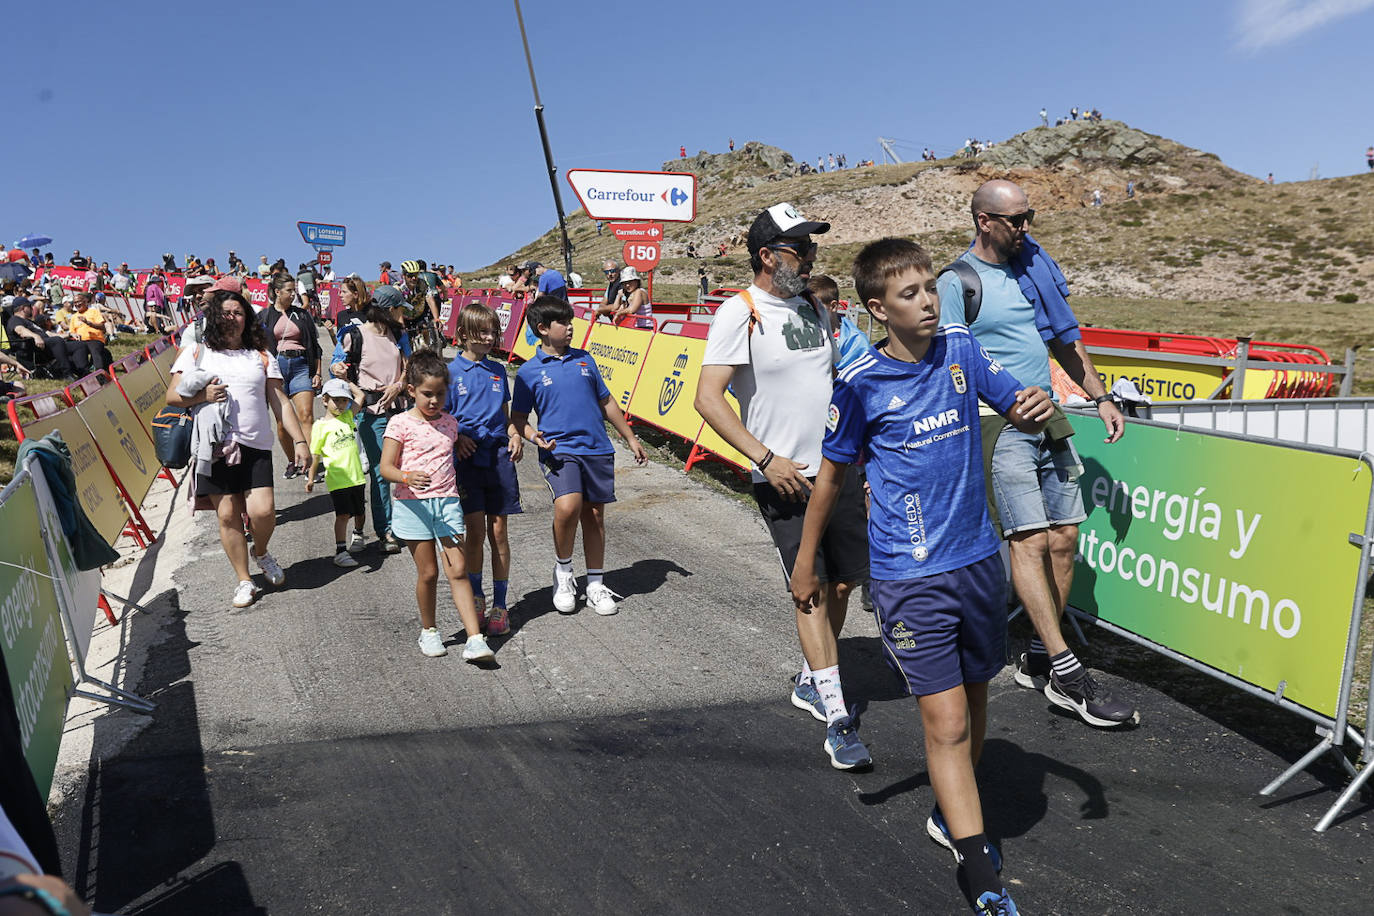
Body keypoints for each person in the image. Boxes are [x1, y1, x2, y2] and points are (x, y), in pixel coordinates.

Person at [792, 237, 1051, 916]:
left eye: (931, 287)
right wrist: (804, 561)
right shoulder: (860, 387)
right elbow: (830, 478)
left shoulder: (962, 352)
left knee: (975, 700)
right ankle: (980, 874)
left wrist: (1032, 406)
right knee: (944, 720)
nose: (929, 302)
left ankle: (947, 812)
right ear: (878, 309)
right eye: (910, 294)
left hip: (976, 564)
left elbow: (1013, 396)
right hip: (910, 577)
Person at [938, 178, 1136, 728]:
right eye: (1016, 220)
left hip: (1049, 417)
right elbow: (954, 363)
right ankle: (1070, 676)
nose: (1027, 228)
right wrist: (1004, 394)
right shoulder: (957, 281)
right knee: (1028, 540)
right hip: (998, 424)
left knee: (1064, 539)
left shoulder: (1031, 270)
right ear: (984, 220)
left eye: (1029, 217)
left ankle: (1041, 656)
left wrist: (1100, 398)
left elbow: (1064, 341)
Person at [694, 202, 872, 770]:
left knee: (843, 585)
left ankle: (809, 680)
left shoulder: (816, 308)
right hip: (785, 477)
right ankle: (839, 717)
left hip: (837, 471)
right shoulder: (738, 313)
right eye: (802, 248)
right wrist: (765, 459)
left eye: (813, 247)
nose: (813, 256)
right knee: (811, 589)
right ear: (767, 256)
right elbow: (706, 398)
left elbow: (834, 384)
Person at [166, 290, 309, 608]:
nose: (231, 318)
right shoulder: (196, 353)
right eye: (225, 313)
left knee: (263, 511)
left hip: (255, 444)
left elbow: (280, 401)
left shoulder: (260, 355)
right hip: (214, 446)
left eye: (238, 313)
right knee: (228, 514)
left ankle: (261, 552)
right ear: (214, 318)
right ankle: (244, 580)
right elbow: (172, 396)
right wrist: (203, 396)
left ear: (248, 319)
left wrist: (299, 441)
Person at [510, 295, 648, 616]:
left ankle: (596, 584)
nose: (571, 327)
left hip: (597, 448)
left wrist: (629, 437)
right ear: (543, 329)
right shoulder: (529, 372)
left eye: (571, 321)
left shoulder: (586, 360)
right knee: (568, 506)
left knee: (595, 515)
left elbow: (607, 401)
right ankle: (563, 573)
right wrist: (533, 437)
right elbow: (518, 420)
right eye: (563, 322)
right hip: (560, 451)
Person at [379, 350, 494, 662]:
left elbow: (446, 441)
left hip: (447, 504)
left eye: (440, 394)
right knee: (428, 573)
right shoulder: (399, 423)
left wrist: (458, 441)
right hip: (413, 506)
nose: (434, 401)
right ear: (411, 390)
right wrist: (406, 476)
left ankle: (474, 638)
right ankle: (429, 631)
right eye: (427, 394)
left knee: (458, 570)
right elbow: (385, 468)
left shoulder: (450, 423)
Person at [447, 304, 524, 637]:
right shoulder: (449, 372)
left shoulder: (498, 371)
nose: (490, 338)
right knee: (475, 531)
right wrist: (458, 436)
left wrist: (515, 433)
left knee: (499, 533)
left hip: (498, 458)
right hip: (467, 460)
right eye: (483, 332)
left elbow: (505, 417)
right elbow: (439, 418)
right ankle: (476, 598)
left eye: (494, 332)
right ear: (463, 334)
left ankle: (501, 605)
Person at [330, 284, 410, 554]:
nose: (404, 316)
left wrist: (398, 385)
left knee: (404, 467)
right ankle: (386, 530)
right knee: (380, 471)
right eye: (400, 310)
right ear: (389, 310)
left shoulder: (399, 334)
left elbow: (408, 368)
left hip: (400, 410)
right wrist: (337, 368)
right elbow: (336, 364)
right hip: (371, 413)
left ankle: (406, 524)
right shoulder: (355, 335)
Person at [258, 272, 322, 480]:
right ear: (277, 292)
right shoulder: (264, 317)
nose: (293, 294)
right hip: (277, 369)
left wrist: (317, 372)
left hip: (301, 365)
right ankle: (292, 460)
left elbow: (315, 345)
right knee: (281, 421)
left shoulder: (302, 315)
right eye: (289, 290)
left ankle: (309, 464)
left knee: (306, 415)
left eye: (294, 290)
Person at [305, 377, 368, 568]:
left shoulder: (348, 416)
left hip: (356, 476)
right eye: (336, 400)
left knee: (360, 511)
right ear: (325, 400)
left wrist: (344, 380)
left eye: (344, 400)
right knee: (343, 514)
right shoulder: (320, 426)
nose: (341, 404)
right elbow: (315, 455)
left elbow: (361, 395)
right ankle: (340, 551)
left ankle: (358, 534)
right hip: (338, 479)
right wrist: (310, 478)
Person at [4, 298, 76, 378]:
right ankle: (66, 374)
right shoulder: (14, 319)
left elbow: (49, 334)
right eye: (30, 306)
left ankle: (83, 372)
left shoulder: (30, 322)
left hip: (47, 343)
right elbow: (20, 330)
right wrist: (35, 336)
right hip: (35, 348)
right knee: (57, 341)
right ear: (23, 308)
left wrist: (69, 334)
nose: (32, 308)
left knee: (78, 345)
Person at [810, 275, 868, 371]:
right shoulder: (803, 334)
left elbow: (861, 377)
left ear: (833, 306)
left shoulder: (855, 342)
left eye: (815, 307)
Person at [66, 292, 115, 372]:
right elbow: (72, 331)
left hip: (94, 339)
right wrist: (74, 334)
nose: (77, 304)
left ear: (85, 302)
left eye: (79, 301)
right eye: (75, 302)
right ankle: (83, 372)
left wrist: (89, 323)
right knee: (75, 350)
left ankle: (100, 373)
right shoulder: (74, 317)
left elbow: (102, 327)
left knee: (95, 350)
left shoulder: (93, 312)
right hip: (80, 341)